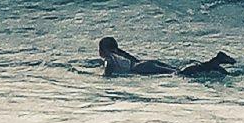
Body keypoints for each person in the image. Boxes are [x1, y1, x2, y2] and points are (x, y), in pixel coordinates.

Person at [98, 36, 235, 77]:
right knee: (177, 70)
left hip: (142, 68)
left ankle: (216, 61)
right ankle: (213, 65)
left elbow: (108, 67)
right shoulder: (120, 53)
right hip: (145, 63)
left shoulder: (109, 57)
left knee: (179, 73)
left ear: (101, 51)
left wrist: (104, 77)